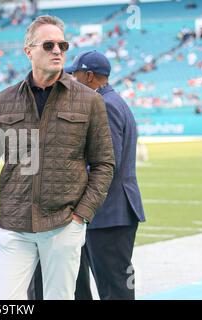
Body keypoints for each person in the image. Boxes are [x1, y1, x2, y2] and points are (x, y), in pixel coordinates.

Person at [0, 16, 115, 300]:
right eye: (49, 44)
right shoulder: (4, 101)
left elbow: (104, 163)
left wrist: (82, 215)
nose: (58, 51)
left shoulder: (89, 101)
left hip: (64, 224)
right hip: (14, 226)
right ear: (29, 51)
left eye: (63, 45)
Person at [64, 50, 145, 300]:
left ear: (89, 77)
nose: (73, 82)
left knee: (114, 289)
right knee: (113, 284)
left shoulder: (105, 105)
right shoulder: (113, 100)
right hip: (110, 212)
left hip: (110, 213)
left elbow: (108, 163)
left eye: (76, 75)